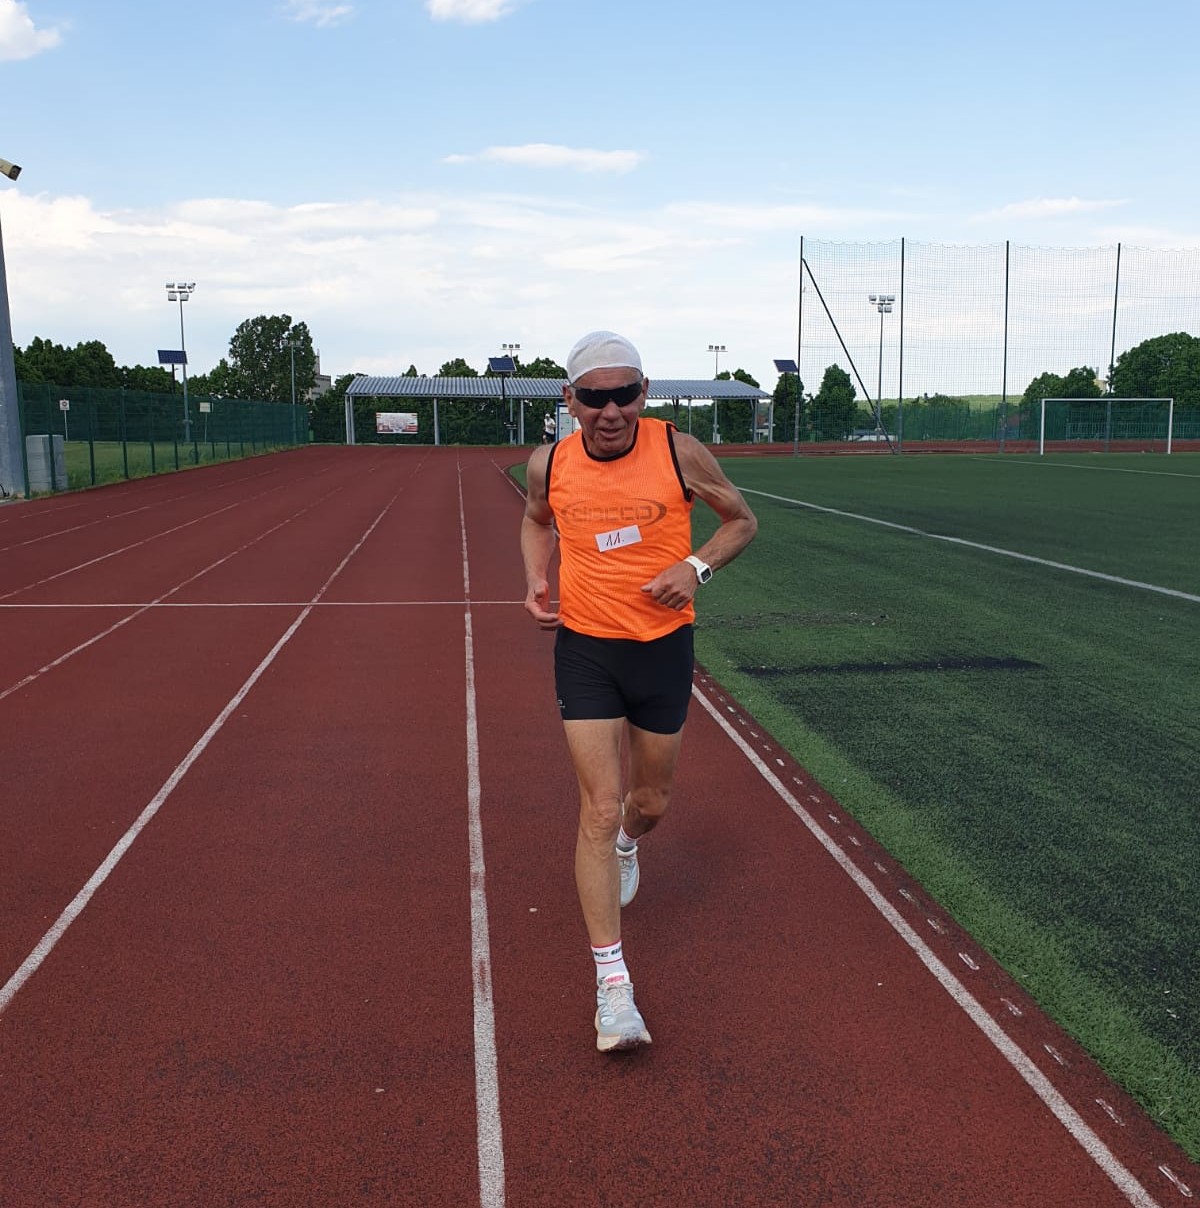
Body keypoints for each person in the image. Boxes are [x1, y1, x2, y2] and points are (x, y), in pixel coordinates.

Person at [520, 330, 757, 1052]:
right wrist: (535, 579)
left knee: (647, 803)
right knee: (596, 806)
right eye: (595, 398)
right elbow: (535, 520)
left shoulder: (679, 452)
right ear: (570, 401)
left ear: (644, 393)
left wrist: (696, 568)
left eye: (625, 394)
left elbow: (741, 521)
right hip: (586, 650)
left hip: (662, 650)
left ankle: (630, 843)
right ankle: (613, 988)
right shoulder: (550, 462)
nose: (612, 411)